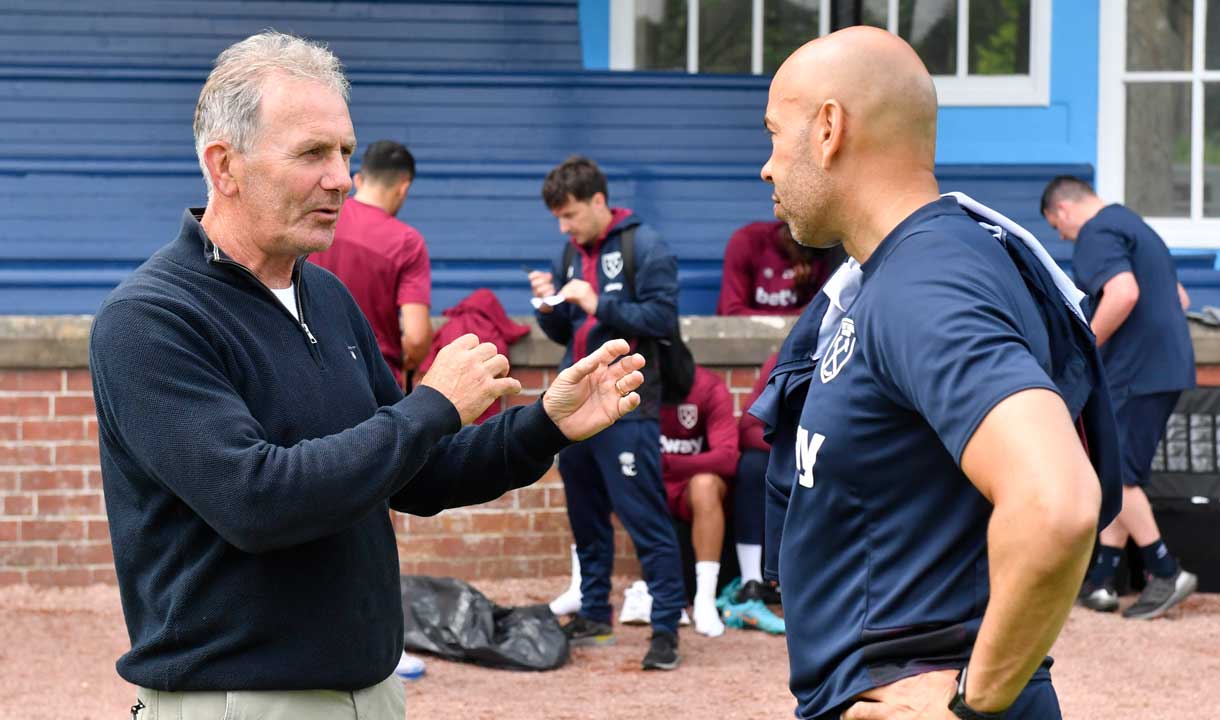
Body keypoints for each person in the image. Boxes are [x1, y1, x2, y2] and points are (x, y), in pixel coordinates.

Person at [91, 32, 648, 719]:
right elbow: (256, 501)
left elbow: (417, 474)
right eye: (312, 154)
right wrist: (433, 404)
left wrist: (544, 424)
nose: (343, 178)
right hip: (236, 702)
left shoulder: (326, 298)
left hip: (372, 691)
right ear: (224, 166)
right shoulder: (150, 320)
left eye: (346, 152)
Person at [756, 28, 1119, 719]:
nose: (767, 166)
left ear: (829, 128)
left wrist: (969, 703)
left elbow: (1057, 501)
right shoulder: (906, 268)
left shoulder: (924, 285)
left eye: (775, 134)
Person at [529, 155, 687, 671]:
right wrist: (546, 307)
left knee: (645, 517)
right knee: (586, 516)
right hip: (574, 408)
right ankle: (595, 612)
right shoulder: (569, 253)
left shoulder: (646, 245)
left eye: (570, 215)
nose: (564, 226)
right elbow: (565, 331)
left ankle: (666, 628)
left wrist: (600, 305)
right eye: (558, 218)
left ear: (599, 202)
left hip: (627, 405)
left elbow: (662, 318)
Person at [1041, 175, 1199, 619]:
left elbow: (1123, 292)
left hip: (1134, 370)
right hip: (1168, 366)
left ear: (1063, 211)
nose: (1062, 235)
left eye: (1057, 227)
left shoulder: (1096, 233)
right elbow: (1180, 296)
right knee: (1122, 471)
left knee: (1119, 476)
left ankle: (1164, 570)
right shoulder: (1136, 226)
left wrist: (1083, 348)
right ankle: (1103, 582)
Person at [310, 139, 431, 389]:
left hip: (312, 369)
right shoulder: (406, 241)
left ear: (358, 180)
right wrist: (408, 364)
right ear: (403, 188)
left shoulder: (319, 220)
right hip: (375, 381)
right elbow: (417, 338)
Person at [717, 220, 843, 315]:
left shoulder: (817, 256)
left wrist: (803, 291)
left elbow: (821, 315)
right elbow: (732, 312)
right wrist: (792, 317)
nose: (808, 262)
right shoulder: (747, 242)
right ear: (789, 239)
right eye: (806, 255)